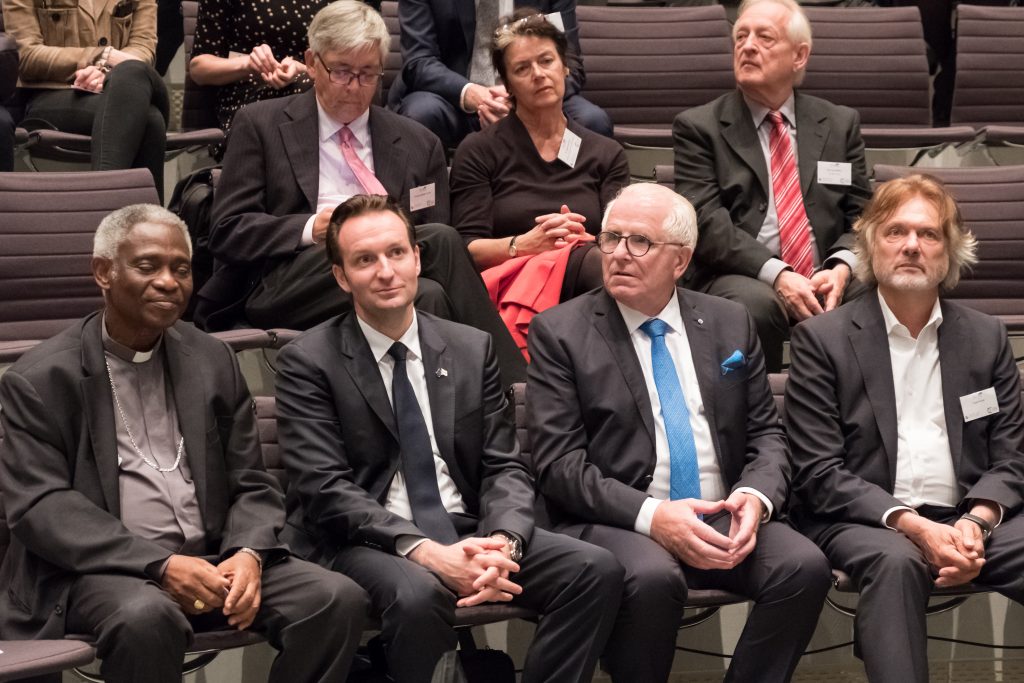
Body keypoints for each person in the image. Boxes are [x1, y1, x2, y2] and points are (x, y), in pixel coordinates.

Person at [0, 204, 369, 683]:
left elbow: (252, 482)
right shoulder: (41, 379)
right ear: (103, 272)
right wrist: (160, 564)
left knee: (334, 599)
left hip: (215, 559)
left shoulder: (212, 358)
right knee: (146, 617)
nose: (168, 282)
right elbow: (42, 507)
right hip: (99, 572)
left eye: (181, 269)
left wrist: (248, 552)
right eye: (148, 266)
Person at [275, 194, 624, 683]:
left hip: (469, 529)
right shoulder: (307, 361)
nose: (385, 271)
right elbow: (324, 489)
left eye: (396, 253)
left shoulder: (469, 347)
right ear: (341, 276)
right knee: (418, 595)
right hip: (367, 541)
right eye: (365, 260)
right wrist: (426, 552)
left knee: (594, 570)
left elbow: (504, 465)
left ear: (418, 258)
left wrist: (503, 542)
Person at [527, 183, 831, 683]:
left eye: (639, 242)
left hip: (722, 511)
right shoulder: (560, 332)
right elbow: (560, 467)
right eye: (611, 238)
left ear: (681, 260)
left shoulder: (729, 321)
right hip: (622, 520)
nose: (619, 254)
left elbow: (767, 435)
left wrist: (754, 498)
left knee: (803, 566)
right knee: (651, 577)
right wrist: (654, 517)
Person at [199, 0, 526, 385]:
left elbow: (426, 248)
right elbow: (228, 230)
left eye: (368, 74)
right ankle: (517, 390)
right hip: (292, 279)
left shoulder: (419, 143)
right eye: (341, 72)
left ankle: (450, 411)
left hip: (391, 275)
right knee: (440, 241)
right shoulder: (260, 125)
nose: (354, 87)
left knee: (430, 294)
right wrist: (313, 228)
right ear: (312, 62)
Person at [785, 174, 1024, 683]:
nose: (912, 245)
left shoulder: (986, 337)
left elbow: (1011, 457)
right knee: (896, 561)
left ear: (950, 251)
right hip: (867, 522)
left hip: (967, 518)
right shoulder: (821, 341)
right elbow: (818, 472)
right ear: (871, 245)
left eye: (929, 233)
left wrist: (976, 523)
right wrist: (914, 526)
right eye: (896, 231)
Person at [673, 0, 871, 371]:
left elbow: (864, 215)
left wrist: (841, 268)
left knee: (884, 290)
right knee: (754, 306)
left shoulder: (839, 123)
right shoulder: (699, 127)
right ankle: (754, 402)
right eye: (741, 37)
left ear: (799, 56)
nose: (747, 46)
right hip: (741, 274)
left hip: (826, 271)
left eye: (764, 37)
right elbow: (705, 222)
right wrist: (778, 274)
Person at [449, 10, 629, 356]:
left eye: (546, 61)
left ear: (565, 67)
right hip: (509, 283)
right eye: (522, 68)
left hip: (586, 275)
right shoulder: (479, 151)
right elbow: (466, 249)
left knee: (610, 262)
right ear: (507, 84)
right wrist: (525, 244)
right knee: (602, 267)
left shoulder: (605, 152)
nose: (538, 74)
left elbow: (619, 239)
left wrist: (576, 242)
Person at [390, 0, 612, 150]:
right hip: (454, 101)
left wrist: (521, 97)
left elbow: (570, 62)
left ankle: (566, 194)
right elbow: (419, 61)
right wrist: (473, 94)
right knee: (421, 115)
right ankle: (427, 204)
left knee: (591, 121)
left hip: (533, 96)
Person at [3, 0, 169, 198]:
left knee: (134, 78)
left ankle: (101, 203)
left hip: (121, 87)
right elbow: (26, 55)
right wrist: (100, 56)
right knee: (150, 119)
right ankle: (124, 209)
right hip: (51, 94)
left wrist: (105, 71)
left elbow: (143, 48)